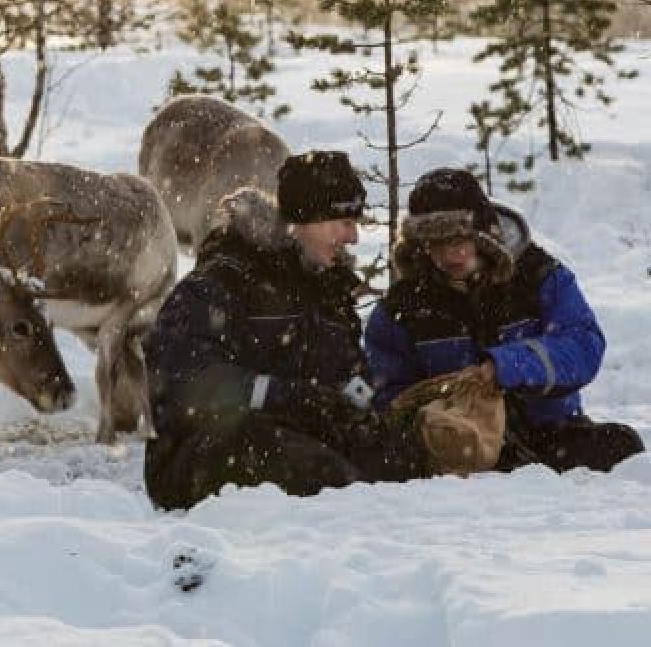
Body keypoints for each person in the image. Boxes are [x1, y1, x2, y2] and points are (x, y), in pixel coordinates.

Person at [143, 150, 426, 511]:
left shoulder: (329, 294)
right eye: (342, 222)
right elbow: (179, 381)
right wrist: (282, 396)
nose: (353, 237)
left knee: (398, 465)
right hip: (201, 454)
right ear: (304, 219)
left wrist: (354, 408)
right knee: (325, 477)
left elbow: (346, 377)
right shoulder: (225, 280)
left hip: (294, 442)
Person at [366, 167, 644, 474]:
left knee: (622, 447)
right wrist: (440, 406)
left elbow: (583, 346)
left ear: (483, 234)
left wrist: (505, 367)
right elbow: (389, 396)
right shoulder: (402, 307)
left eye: (458, 240)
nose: (449, 255)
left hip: (550, 433)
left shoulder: (537, 276)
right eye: (436, 244)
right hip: (461, 445)